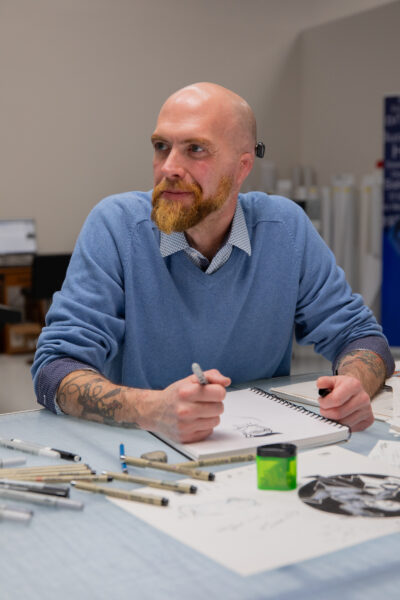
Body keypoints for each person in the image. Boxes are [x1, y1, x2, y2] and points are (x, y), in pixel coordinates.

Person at [32, 82, 394, 442]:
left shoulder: (284, 228)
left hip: (263, 448)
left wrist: (354, 385)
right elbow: (53, 370)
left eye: (195, 149)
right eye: (161, 147)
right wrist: (151, 409)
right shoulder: (117, 226)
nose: (169, 167)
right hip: (144, 451)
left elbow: (361, 337)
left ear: (242, 167)